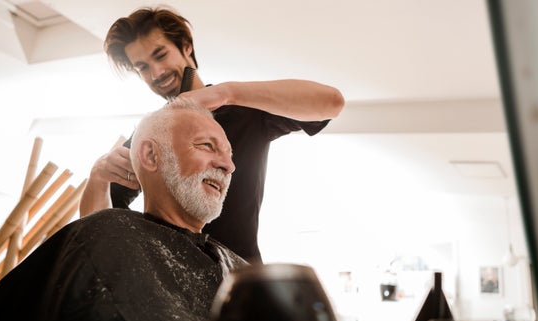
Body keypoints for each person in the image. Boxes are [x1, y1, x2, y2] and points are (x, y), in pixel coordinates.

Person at [79, 6, 345, 264]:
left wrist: (228, 93)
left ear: (186, 46)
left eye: (160, 55)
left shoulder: (243, 110)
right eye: (143, 67)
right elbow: (99, 229)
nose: (156, 73)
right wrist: (98, 176)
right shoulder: (149, 135)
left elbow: (331, 103)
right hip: (167, 285)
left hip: (239, 281)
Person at [0, 99, 248, 321]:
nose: (228, 165)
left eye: (230, 155)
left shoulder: (239, 270)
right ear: (151, 155)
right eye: (207, 146)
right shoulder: (109, 236)